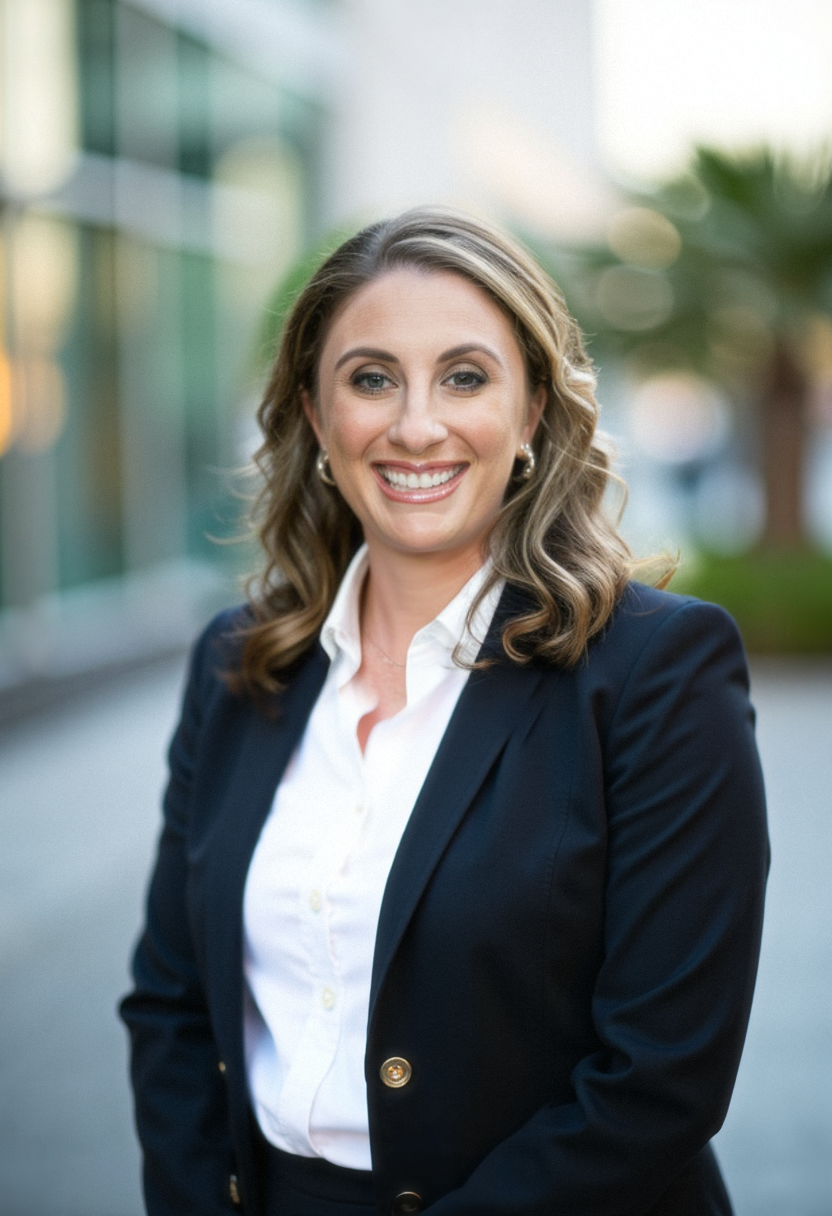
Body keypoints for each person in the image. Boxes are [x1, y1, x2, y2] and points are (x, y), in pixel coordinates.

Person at [120, 208, 768, 1216]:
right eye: (371, 377)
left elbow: (659, 1075)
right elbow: (171, 1004)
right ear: (314, 414)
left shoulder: (656, 671)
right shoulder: (237, 665)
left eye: (465, 376)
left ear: (534, 413)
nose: (416, 424)